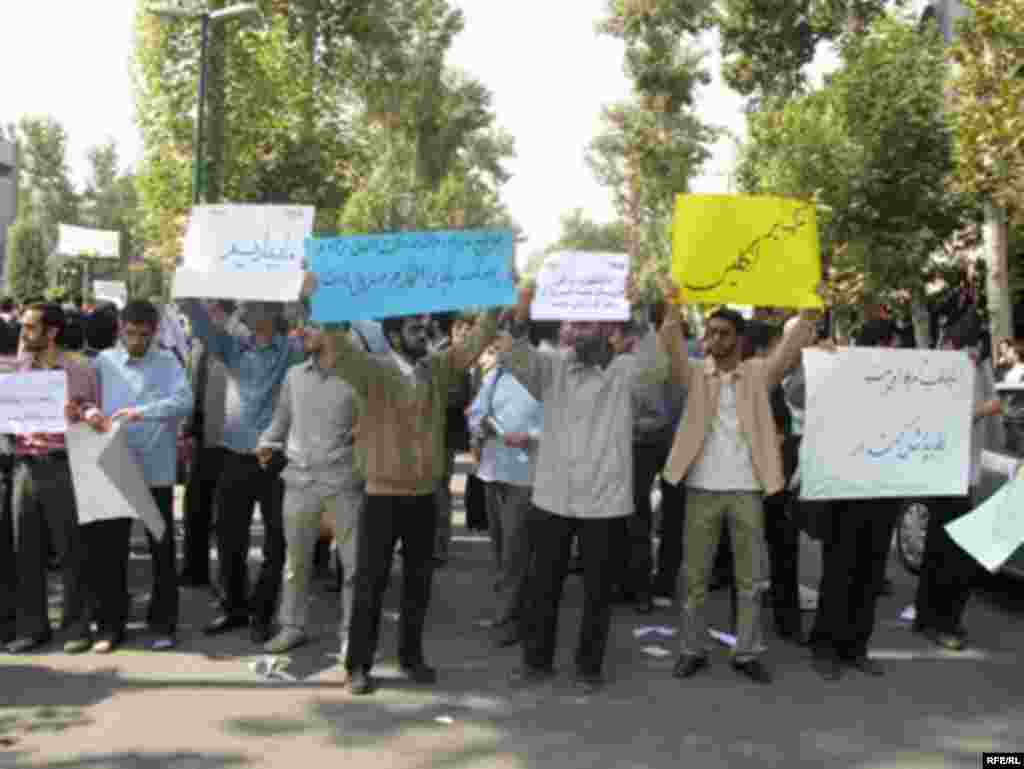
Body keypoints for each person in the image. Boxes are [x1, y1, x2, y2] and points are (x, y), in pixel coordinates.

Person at [499, 281, 671, 694]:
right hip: (554, 496)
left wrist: (639, 315)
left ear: (608, 328)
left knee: (598, 593)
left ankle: (588, 667)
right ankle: (536, 661)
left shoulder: (627, 371)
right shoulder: (552, 367)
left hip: (605, 501)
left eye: (587, 324)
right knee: (543, 587)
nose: (576, 332)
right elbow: (515, 356)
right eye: (571, 324)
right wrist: (521, 311)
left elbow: (659, 370)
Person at [324, 305, 500, 696]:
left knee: (418, 585)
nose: (424, 329)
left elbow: (472, 346)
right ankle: (359, 665)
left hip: (424, 496)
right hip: (381, 497)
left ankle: (411, 656)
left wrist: (496, 306)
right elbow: (337, 345)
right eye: (413, 325)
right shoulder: (371, 371)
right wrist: (320, 303)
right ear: (392, 335)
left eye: (425, 324)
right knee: (370, 584)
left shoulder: (435, 368)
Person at [659, 275, 818, 686]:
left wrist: (809, 306)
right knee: (694, 577)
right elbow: (671, 344)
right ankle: (691, 649)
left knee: (749, 580)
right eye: (709, 332)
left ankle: (746, 652)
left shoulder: (758, 375)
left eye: (722, 333)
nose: (712, 339)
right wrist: (673, 303)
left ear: (739, 340)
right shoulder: (695, 374)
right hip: (701, 490)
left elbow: (792, 346)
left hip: (748, 490)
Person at [178, 298, 307, 644]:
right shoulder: (233, 347)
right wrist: (189, 295)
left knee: (277, 542)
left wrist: (308, 293)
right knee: (229, 536)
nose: (244, 312)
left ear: (271, 313)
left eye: (252, 307)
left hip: (276, 459)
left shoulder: (293, 350)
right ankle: (234, 607)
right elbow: (202, 326)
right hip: (235, 456)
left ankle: (262, 614)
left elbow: (318, 331)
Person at [86, 300, 193, 651]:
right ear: (120, 328)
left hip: (156, 470)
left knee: (161, 551)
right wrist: (90, 413)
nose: (135, 341)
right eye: (129, 333)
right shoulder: (103, 362)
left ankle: (163, 622)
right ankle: (110, 625)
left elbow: (184, 402)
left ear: (155, 332)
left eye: (143, 335)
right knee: (110, 551)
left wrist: (141, 413)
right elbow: (87, 402)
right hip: (114, 465)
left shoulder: (168, 362)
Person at [257, 327, 365, 656]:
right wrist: (266, 442)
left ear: (335, 328)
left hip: (343, 483)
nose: (303, 330)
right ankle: (292, 626)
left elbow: (374, 426)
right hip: (299, 482)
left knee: (353, 565)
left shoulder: (360, 375)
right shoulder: (294, 376)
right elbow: (281, 421)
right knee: (296, 561)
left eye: (314, 323)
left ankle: (351, 634)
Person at [808, 318, 904, 680]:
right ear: (875, 345)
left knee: (871, 573)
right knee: (839, 572)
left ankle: (855, 647)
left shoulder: (901, 384)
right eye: (890, 344)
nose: (894, 351)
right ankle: (826, 647)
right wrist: (823, 358)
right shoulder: (840, 373)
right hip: (845, 493)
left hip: (883, 492)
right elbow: (804, 393)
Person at [5, 303, 98, 654]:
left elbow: (92, 410)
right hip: (25, 466)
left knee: (70, 548)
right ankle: (32, 627)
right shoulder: (17, 368)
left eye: (30, 327)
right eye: (23, 326)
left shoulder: (77, 370)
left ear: (52, 332)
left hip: (63, 464)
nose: (23, 333)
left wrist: (80, 413)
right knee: (24, 551)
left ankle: (77, 627)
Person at [913, 313, 1003, 651]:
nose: (974, 351)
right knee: (951, 556)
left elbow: (995, 422)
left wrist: (983, 372)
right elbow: (942, 420)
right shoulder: (944, 371)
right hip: (946, 475)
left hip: (963, 476)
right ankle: (940, 621)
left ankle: (931, 618)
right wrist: (984, 409)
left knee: (945, 554)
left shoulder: (978, 370)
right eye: (971, 343)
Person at [466, 327, 544, 647]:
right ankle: (511, 610)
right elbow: (475, 412)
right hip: (492, 472)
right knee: (501, 551)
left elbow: (559, 422)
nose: (499, 345)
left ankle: (511, 619)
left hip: (525, 476)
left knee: (515, 551)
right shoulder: (495, 375)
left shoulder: (542, 375)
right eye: (498, 340)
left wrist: (532, 438)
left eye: (506, 339)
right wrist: (479, 424)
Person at [180, 301, 246, 588]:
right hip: (202, 433)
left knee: (226, 516)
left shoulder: (241, 339)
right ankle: (194, 569)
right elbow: (193, 384)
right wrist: (187, 426)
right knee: (195, 504)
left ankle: (228, 582)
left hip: (229, 436)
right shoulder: (198, 342)